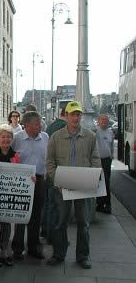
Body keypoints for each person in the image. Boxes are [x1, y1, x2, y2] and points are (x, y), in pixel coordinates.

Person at [46, 101, 101, 269]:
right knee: (60, 222)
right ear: (66, 116)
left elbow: (95, 160)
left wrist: (92, 178)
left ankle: (83, 256)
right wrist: (58, 180)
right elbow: (50, 162)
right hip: (62, 186)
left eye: (78, 114)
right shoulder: (56, 136)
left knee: (83, 223)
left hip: (83, 185)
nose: (76, 117)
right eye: (73, 114)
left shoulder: (90, 136)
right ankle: (58, 254)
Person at [11, 111, 49, 260]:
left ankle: (34, 247)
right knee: (21, 215)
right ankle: (17, 248)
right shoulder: (17, 138)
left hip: (40, 181)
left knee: (36, 216)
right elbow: (8, 155)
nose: (40, 125)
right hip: (22, 181)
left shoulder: (45, 137)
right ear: (26, 125)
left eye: (40, 123)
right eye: (37, 123)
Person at [0, 124, 17, 267]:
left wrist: (30, 179)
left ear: (12, 139)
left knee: (6, 223)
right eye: (3, 137)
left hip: (9, 195)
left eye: (8, 137)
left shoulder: (15, 155)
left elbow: (21, 174)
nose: (6, 139)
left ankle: (5, 250)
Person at [41, 106, 67, 241]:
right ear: (67, 114)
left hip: (49, 169)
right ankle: (52, 234)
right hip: (60, 170)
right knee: (56, 205)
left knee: (47, 203)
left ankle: (45, 230)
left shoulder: (50, 127)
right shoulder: (64, 128)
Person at [95, 114, 115, 214]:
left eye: (106, 120)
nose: (104, 121)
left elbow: (111, 146)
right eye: (102, 119)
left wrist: (112, 155)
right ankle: (99, 204)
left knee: (106, 182)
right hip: (98, 160)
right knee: (99, 182)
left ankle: (107, 205)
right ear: (98, 121)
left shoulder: (110, 131)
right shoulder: (95, 132)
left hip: (107, 160)